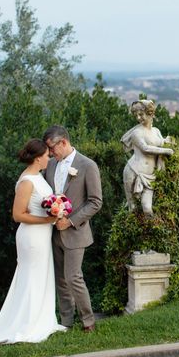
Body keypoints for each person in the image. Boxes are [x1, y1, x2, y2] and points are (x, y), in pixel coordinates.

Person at [0, 139, 67, 344]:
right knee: (31, 277)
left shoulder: (39, 177)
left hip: (42, 235)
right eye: (45, 155)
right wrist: (48, 219)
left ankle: (42, 319)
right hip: (31, 237)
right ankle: (27, 323)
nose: (48, 158)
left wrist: (57, 207)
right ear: (37, 158)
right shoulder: (27, 181)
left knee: (42, 276)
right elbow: (17, 215)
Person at [43, 126, 102, 332]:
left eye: (52, 148)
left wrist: (70, 221)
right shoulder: (50, 165)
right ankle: (66, 322)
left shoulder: (87, 165)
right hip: (53, 232)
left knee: (73, 277)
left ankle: (88, 321)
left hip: (76, 232)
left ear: (64, 143)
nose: (50, 153)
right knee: (60, 279)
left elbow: (95, 202)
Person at [121, 100, 174, 216]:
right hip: (133, 172)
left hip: (150, 176)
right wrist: (166, 151)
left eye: (141, 114)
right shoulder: (137, 133)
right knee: (133, 208)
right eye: (136, 115)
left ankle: (151, 233)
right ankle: (134, 232)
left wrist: (166, 141)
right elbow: (145, 148)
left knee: (147, 208)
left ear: (150, 113)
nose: (138, 118)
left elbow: (160, 143)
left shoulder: (156, 131)